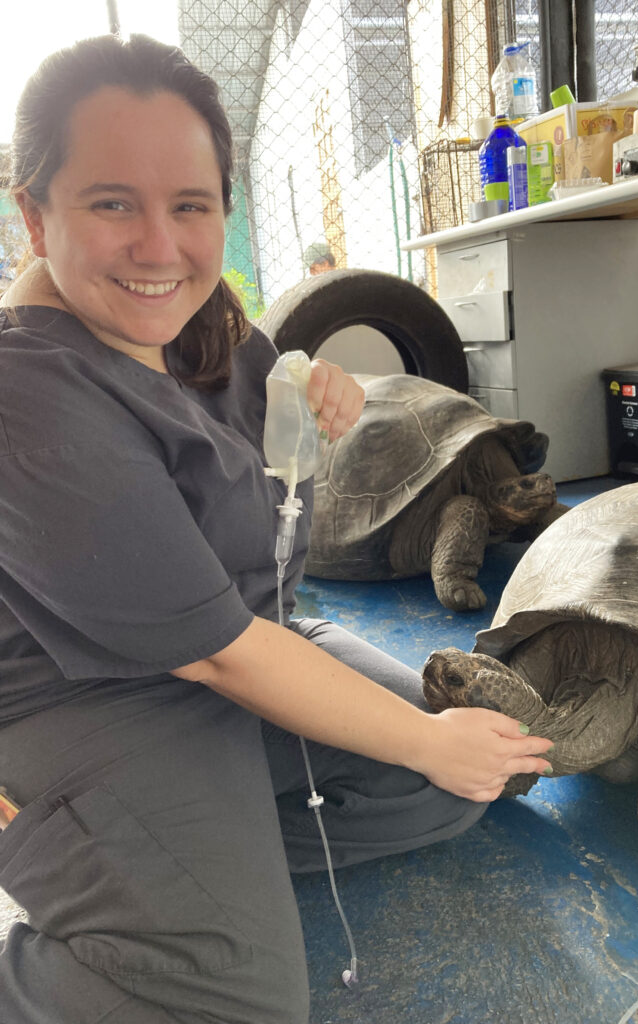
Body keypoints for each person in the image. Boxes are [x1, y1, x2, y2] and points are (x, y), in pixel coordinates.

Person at [0, 34, 552, 1024]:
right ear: (34, 213)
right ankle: (109, 903)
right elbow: (215, 654)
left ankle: (187, 857)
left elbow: (262, 453)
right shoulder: (27, 396)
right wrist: (426, 740)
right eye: (111, 202)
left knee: (455, 785)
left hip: (251, 636)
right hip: (99, 695)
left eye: (191, 205)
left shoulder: (197, 315)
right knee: (235, 996)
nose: (159, 246)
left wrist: (306, 387)